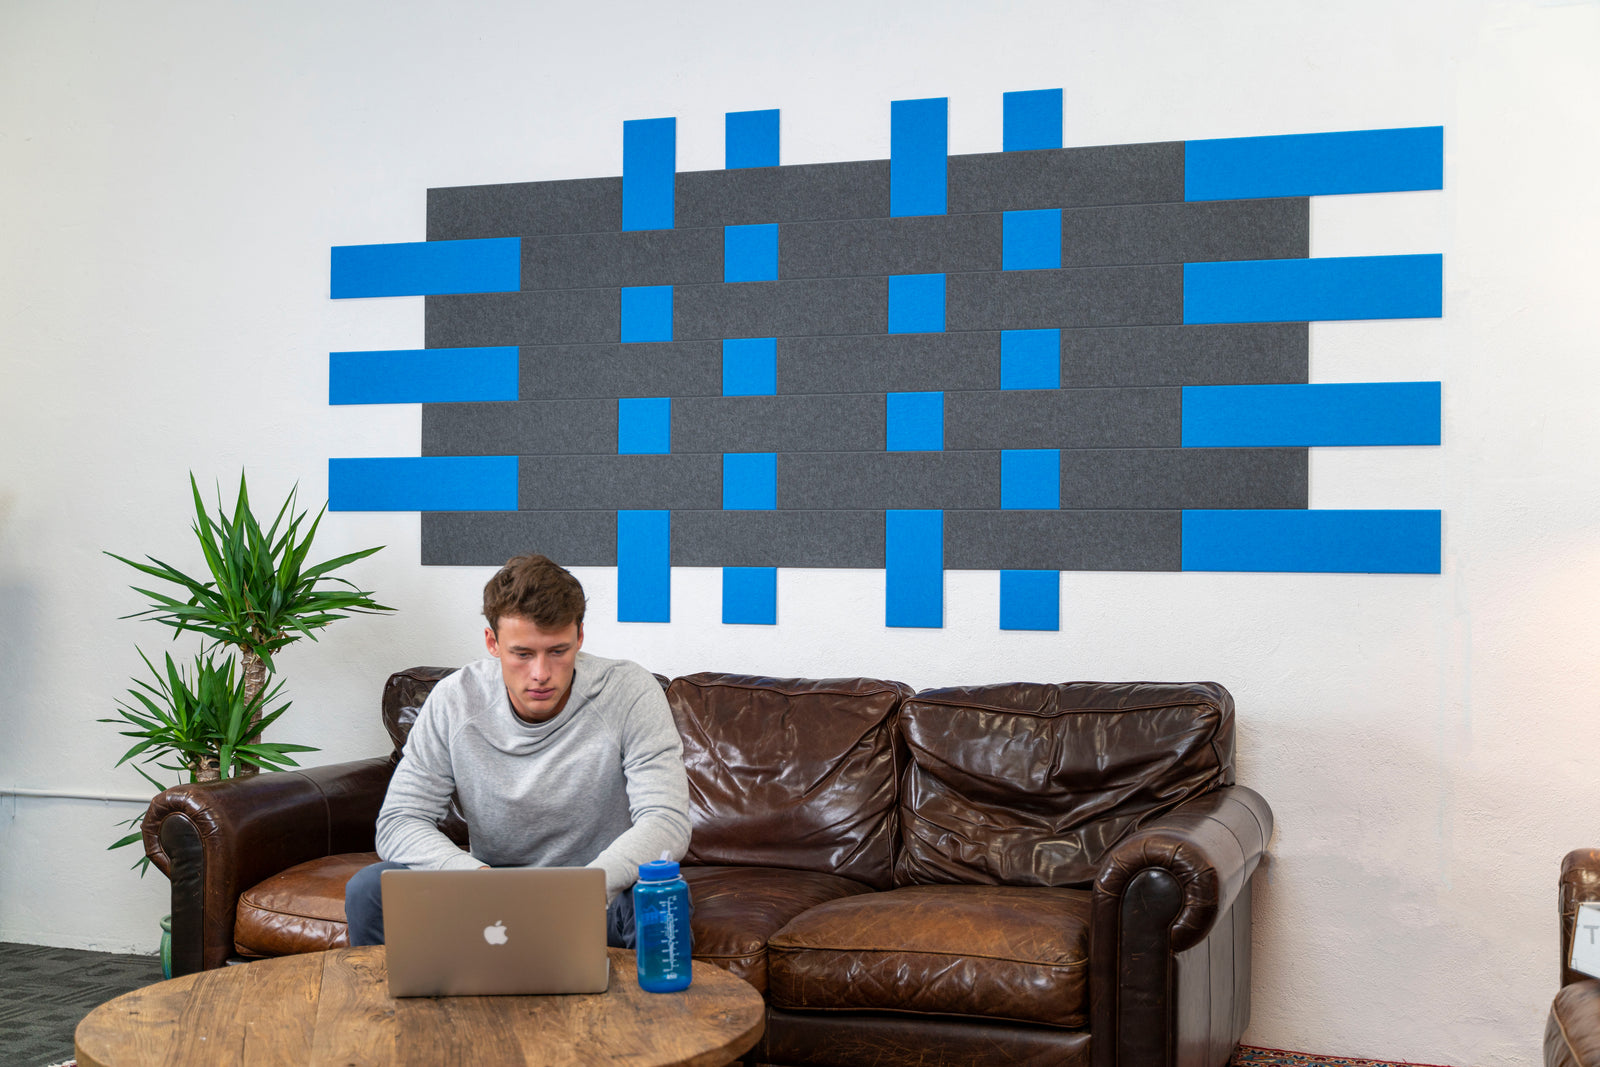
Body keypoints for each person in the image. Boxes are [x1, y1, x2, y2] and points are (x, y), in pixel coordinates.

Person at [344, 554, 691, 948]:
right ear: (493, 642)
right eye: (522, 654)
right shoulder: (455, 701)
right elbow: (399, 821)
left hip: (596, 894)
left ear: (580, 636)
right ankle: (391, 1011)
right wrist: (476, 880)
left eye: (557, 651)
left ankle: (640, 1011)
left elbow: (666, 820)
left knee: (660, 900)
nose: (541, 673)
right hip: (487, 895)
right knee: (370, 890)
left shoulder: (628, 691)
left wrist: (586, 890)